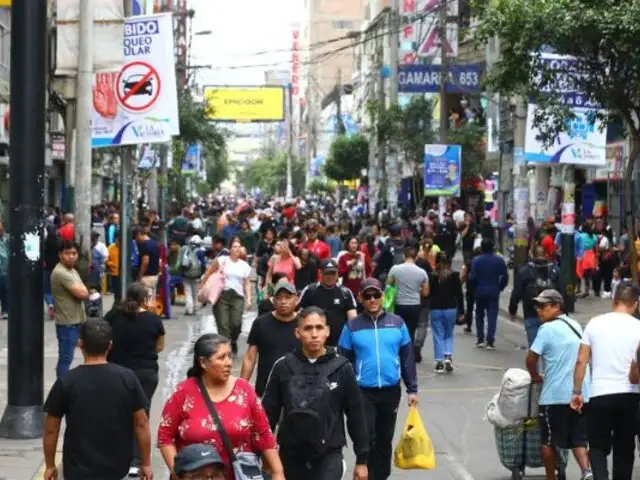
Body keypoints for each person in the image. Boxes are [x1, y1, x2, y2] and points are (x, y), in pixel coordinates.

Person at [262, 306, 369, 480]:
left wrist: (362, 460)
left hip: (329, 457)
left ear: (327, 331)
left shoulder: (343, 368)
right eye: (307, 328)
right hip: (290, 457)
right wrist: (266, 457)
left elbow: (357, 415)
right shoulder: (283, 366)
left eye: (319, 328)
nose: (314, 334)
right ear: (298, 333)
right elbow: (267, 417)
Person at [157, 333, 285, 480]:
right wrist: (177, 473)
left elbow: (263, 434)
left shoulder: (244, 391)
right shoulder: (183, 393)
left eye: (230, 356)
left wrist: (277, 472)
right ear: (203, 363)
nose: (229, 362)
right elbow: (165, 437)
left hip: (236, 475)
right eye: (221, 357)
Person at [42, 319, 152, 480]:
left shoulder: (67, 381)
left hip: (77, 468)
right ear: (110, 345)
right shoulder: (127, 378)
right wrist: (146, 463)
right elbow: (141, 424)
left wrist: (50, 465)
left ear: (80, 344)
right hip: (117, 467)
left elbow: (51, 430)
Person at [338, 278, 418, 480]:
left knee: (384, 438)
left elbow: (407, 358)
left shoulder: (397, 323)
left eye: (376, 295)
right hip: (362, 392)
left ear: (383, 296)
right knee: (366, 437)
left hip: (391, 391)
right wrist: (341, 392)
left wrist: (412, 389)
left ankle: (381, 476)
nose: (372, 299)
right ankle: (366, 473)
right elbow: (343, 361)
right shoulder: (352, 326)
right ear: (360, 298)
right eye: (367, 295)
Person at [572, 282, 640, 480]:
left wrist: (576, 391)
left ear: (614, 301)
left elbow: (581, 360)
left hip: (600, 394)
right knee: (624, 447)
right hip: (630, 394)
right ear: (635, 304)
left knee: (598, 447)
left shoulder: (595, 323)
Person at [525, 290, 592, 480]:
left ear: (556, 307)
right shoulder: (576, 325)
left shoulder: (546, 329)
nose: (539, 311)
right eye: (538, 306)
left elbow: (531, 359)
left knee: (548, 440)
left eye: (544, 306)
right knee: (578, 438)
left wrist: (535, 376)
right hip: (580, 393)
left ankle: (550, 477)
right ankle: (586, 472)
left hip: (554, 395)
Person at [104, 282, 165, 477]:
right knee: (141, 417)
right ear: (145, 299)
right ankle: (137, 460)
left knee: (118, 414)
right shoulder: (154, 320)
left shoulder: (113, 316)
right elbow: (160, 347)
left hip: (117, 372)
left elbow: (105, 338)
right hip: (145, 374)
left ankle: (117, 454)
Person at [241, 279, 300, 396]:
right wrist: (242, 388)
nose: (283, 302)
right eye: (279, 298)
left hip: (298, 390)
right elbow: (250, 357)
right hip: (266, 389)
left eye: (288, 297)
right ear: (273, 300)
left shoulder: (304, 323)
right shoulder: (260, 323)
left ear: (296, 300)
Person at [200, 239, 252, 355]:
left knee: (236, 323)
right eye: (234, 247)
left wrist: (249, 299)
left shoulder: (244, 265)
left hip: (237, 296)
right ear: (229, 249)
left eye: (239, 247)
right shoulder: (221, 260)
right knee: (223, 324)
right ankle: (225, 349)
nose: (237, 249)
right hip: (222, 294)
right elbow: (209, 273)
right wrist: (202, 287)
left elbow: (247, 283)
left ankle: (233, 340)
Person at [508, 245, 561, 346]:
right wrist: (563, 314)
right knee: (550, 349)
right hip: (550, 314)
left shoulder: (524, 270)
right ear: (545, 255)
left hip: (531, 312)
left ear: (532, 254)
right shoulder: (555, 270)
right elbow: (562, 292)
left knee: (534, 348)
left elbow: (517, 292)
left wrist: (512, 310)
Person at [299, 259, 358, 347]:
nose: (330, 276)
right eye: (327, 273)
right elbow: (299, 315)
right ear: (320, 273)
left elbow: (353, 319)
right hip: (314, 342)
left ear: (337, 274)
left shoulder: (345, 292)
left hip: (339, 343)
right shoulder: (310, 290)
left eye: (333, 273)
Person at [51, 241, 89, 378]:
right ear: (60, 255)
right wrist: (83, 290)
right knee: (66, 359)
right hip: (67, 323)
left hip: (77, 319)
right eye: (67, 253)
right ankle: (61, 388)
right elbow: (83, 293)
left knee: (87, 353)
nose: (71, 256)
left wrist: (83, 290)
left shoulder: (72, 270)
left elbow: (83, 290)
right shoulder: (61, 272)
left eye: (74, 253)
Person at [469, 238, 508, 350]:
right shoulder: (499, 260)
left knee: (479, 314)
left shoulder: (476, 260)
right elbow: (505, 276)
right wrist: (500, 287)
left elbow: (472, 277)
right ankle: (490, 340)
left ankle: (480, 338)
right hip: (493, 289)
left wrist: (474, 289)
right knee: (492, 315)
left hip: (480, 289)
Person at [429, 253, 464, 373]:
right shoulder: (454, 275)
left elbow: (429, 294)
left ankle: (439, 362)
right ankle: (448, 356)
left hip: (435, 308)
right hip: (450, 308)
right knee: (449, 333)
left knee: (438, 334)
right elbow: (459, 294)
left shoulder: (432, 276)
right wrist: (462, 312)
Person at [387, 244, 430, 342]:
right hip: (415, 305)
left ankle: (399, 354)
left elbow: (388, 286)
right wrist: (417, 289)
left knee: (399, 330)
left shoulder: (395, 269)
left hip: (399, 304)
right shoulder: (422, 272)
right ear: (417, 257)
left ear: (403, 256)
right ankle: (409, 354)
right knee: (411, 331)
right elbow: (426, 293)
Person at [134, 226, 161, 303]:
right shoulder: (154, 243)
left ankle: (147, 314)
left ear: (139, 234)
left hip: (146, 277)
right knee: (152, 299)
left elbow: (145, 261)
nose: (136, 240)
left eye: (136, 237)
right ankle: (151, 314)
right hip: (154, 276)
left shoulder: (144, 245)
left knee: (146, 300)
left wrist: (140, 276)